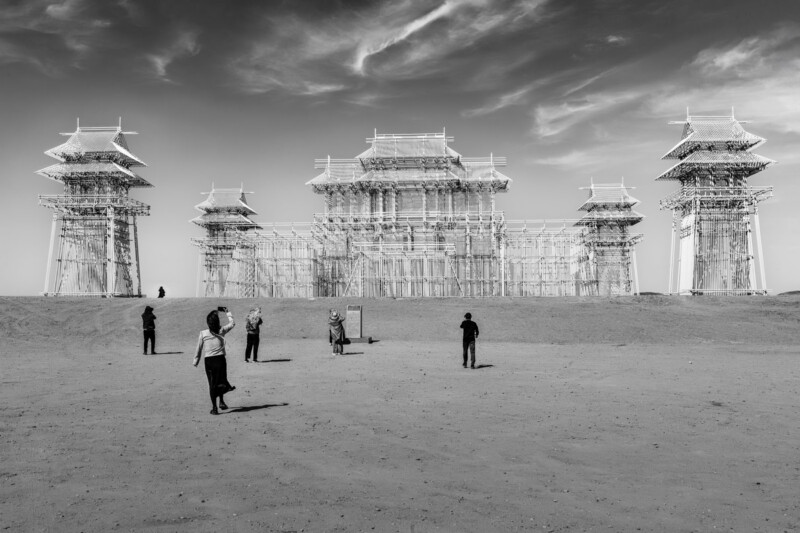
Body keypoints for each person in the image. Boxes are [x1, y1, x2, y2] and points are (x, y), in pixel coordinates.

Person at [193, 307, 236, 415]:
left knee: (212, 384)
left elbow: (198, 348)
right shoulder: (221, 330)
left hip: (209, 361)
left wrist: (196, 361)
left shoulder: (203, 333)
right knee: (220, 381)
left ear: (208, 322)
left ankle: (214, 408)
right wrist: (228, 312)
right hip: (221, 360)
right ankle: (221, 401)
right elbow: (232, 323)